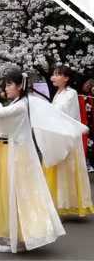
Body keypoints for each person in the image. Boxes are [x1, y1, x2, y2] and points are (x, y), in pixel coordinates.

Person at [0, 68, 87, 253]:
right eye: (6, 84)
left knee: (17, 195)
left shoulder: (21, 105)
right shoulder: (19, 103)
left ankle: (20, 239)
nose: (7, 87)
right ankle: (18, 235)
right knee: (12, 194)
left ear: (20, 86)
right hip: (10, 153)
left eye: (10, 84)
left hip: (17, 155)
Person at [44, 65, 94, 216]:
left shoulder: (71, 93)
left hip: (69, 139)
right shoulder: (58, 94)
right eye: (54, 74)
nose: (54, 77)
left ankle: (69, 204)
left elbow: (65, 114)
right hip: (59, 137)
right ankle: (59, 204)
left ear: (66, 78)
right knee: (60, 171)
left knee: (68, 172)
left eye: (58, 74)